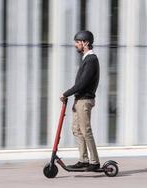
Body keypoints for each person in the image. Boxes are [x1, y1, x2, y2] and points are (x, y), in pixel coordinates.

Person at [60, 30, 100, 171]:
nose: (76, 45)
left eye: (78, 42)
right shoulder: (86, 59)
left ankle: (94, 162)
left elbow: (82, 84)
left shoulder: (91, 60)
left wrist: (66, 93)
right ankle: (83, 160)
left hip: (85, 100)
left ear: (86, 43)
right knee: (76, 130)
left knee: (85, 130)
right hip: (79, 100)